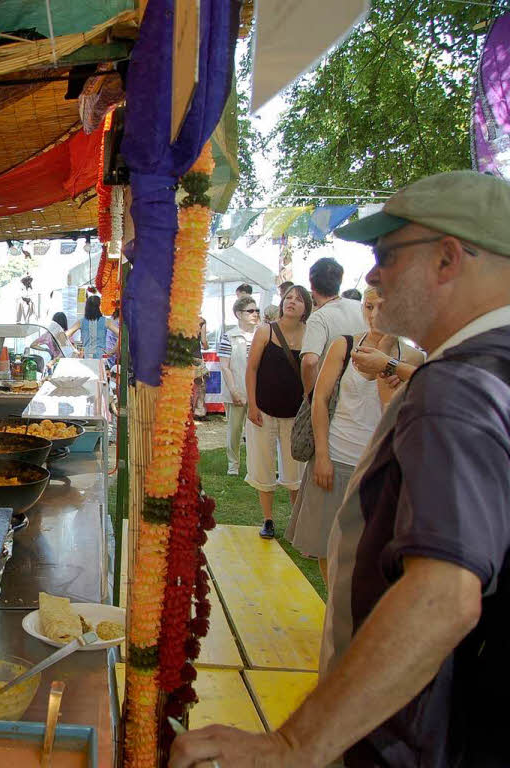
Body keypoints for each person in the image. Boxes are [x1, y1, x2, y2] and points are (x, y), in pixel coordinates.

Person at [169, 170, 510, 768]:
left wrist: (295, 744)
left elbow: (443, 596)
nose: (371, 276)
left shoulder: (456, 387)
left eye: (386, 256)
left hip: (420, 736)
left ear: (448, 259)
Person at [286, 286, 423, 585]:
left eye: (383, 308)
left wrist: (385, 352)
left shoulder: (412, 358)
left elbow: (392, 413)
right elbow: (319, 399)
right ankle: (333, 611)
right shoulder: (343, 346)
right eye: (369, 307)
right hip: (336, 457)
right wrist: (322, 454)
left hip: (378, 466)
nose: (374, 316)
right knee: (326, 544)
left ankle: (348, 617)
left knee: (368, 552)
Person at [244, 285, 310, 538]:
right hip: (264, 410)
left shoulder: (310, 334)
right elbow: (251, 369)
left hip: (295, 414)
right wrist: (252, 404)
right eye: (289, 297)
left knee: (296, 470)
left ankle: (297, 522)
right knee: (263, 463)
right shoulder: (265, 331)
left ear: (306, 307)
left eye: (298, 299)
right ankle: (268, 520)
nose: (292, 302)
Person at [299, 257, 366, 394]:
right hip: (364, 390)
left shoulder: (319, 317)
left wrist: (311, 397)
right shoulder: (361, 308)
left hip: (332, 395)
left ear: (311, 285)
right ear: (340, 281)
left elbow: (310, 362)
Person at [216, 296, 260, 475]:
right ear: (238, 314)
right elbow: (225, 366)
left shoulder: (262, 333)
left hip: (258, 392)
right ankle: (233, 466)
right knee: (235, 430)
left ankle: (255, 466)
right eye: (250, 311)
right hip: (237, 390)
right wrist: (234, 391)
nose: (255, 314)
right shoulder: (229, 336)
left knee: (256, 431)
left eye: (256, 310)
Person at [66, 294, 119, 358]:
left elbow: (64, 336)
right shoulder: (106, 321)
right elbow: (121, 335)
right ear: (99, 307)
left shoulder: (81, 322)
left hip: (86, 357)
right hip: (100, 357)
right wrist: (112, 352)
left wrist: (74, 349)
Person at [192, 316, 209, 418]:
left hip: (181, 358)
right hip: (196, 357)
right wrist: (206, 347)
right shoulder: (201, 321)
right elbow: (203, 341)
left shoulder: (176, 319)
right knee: (200, 385)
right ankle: (199, 411)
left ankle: (185, 411)